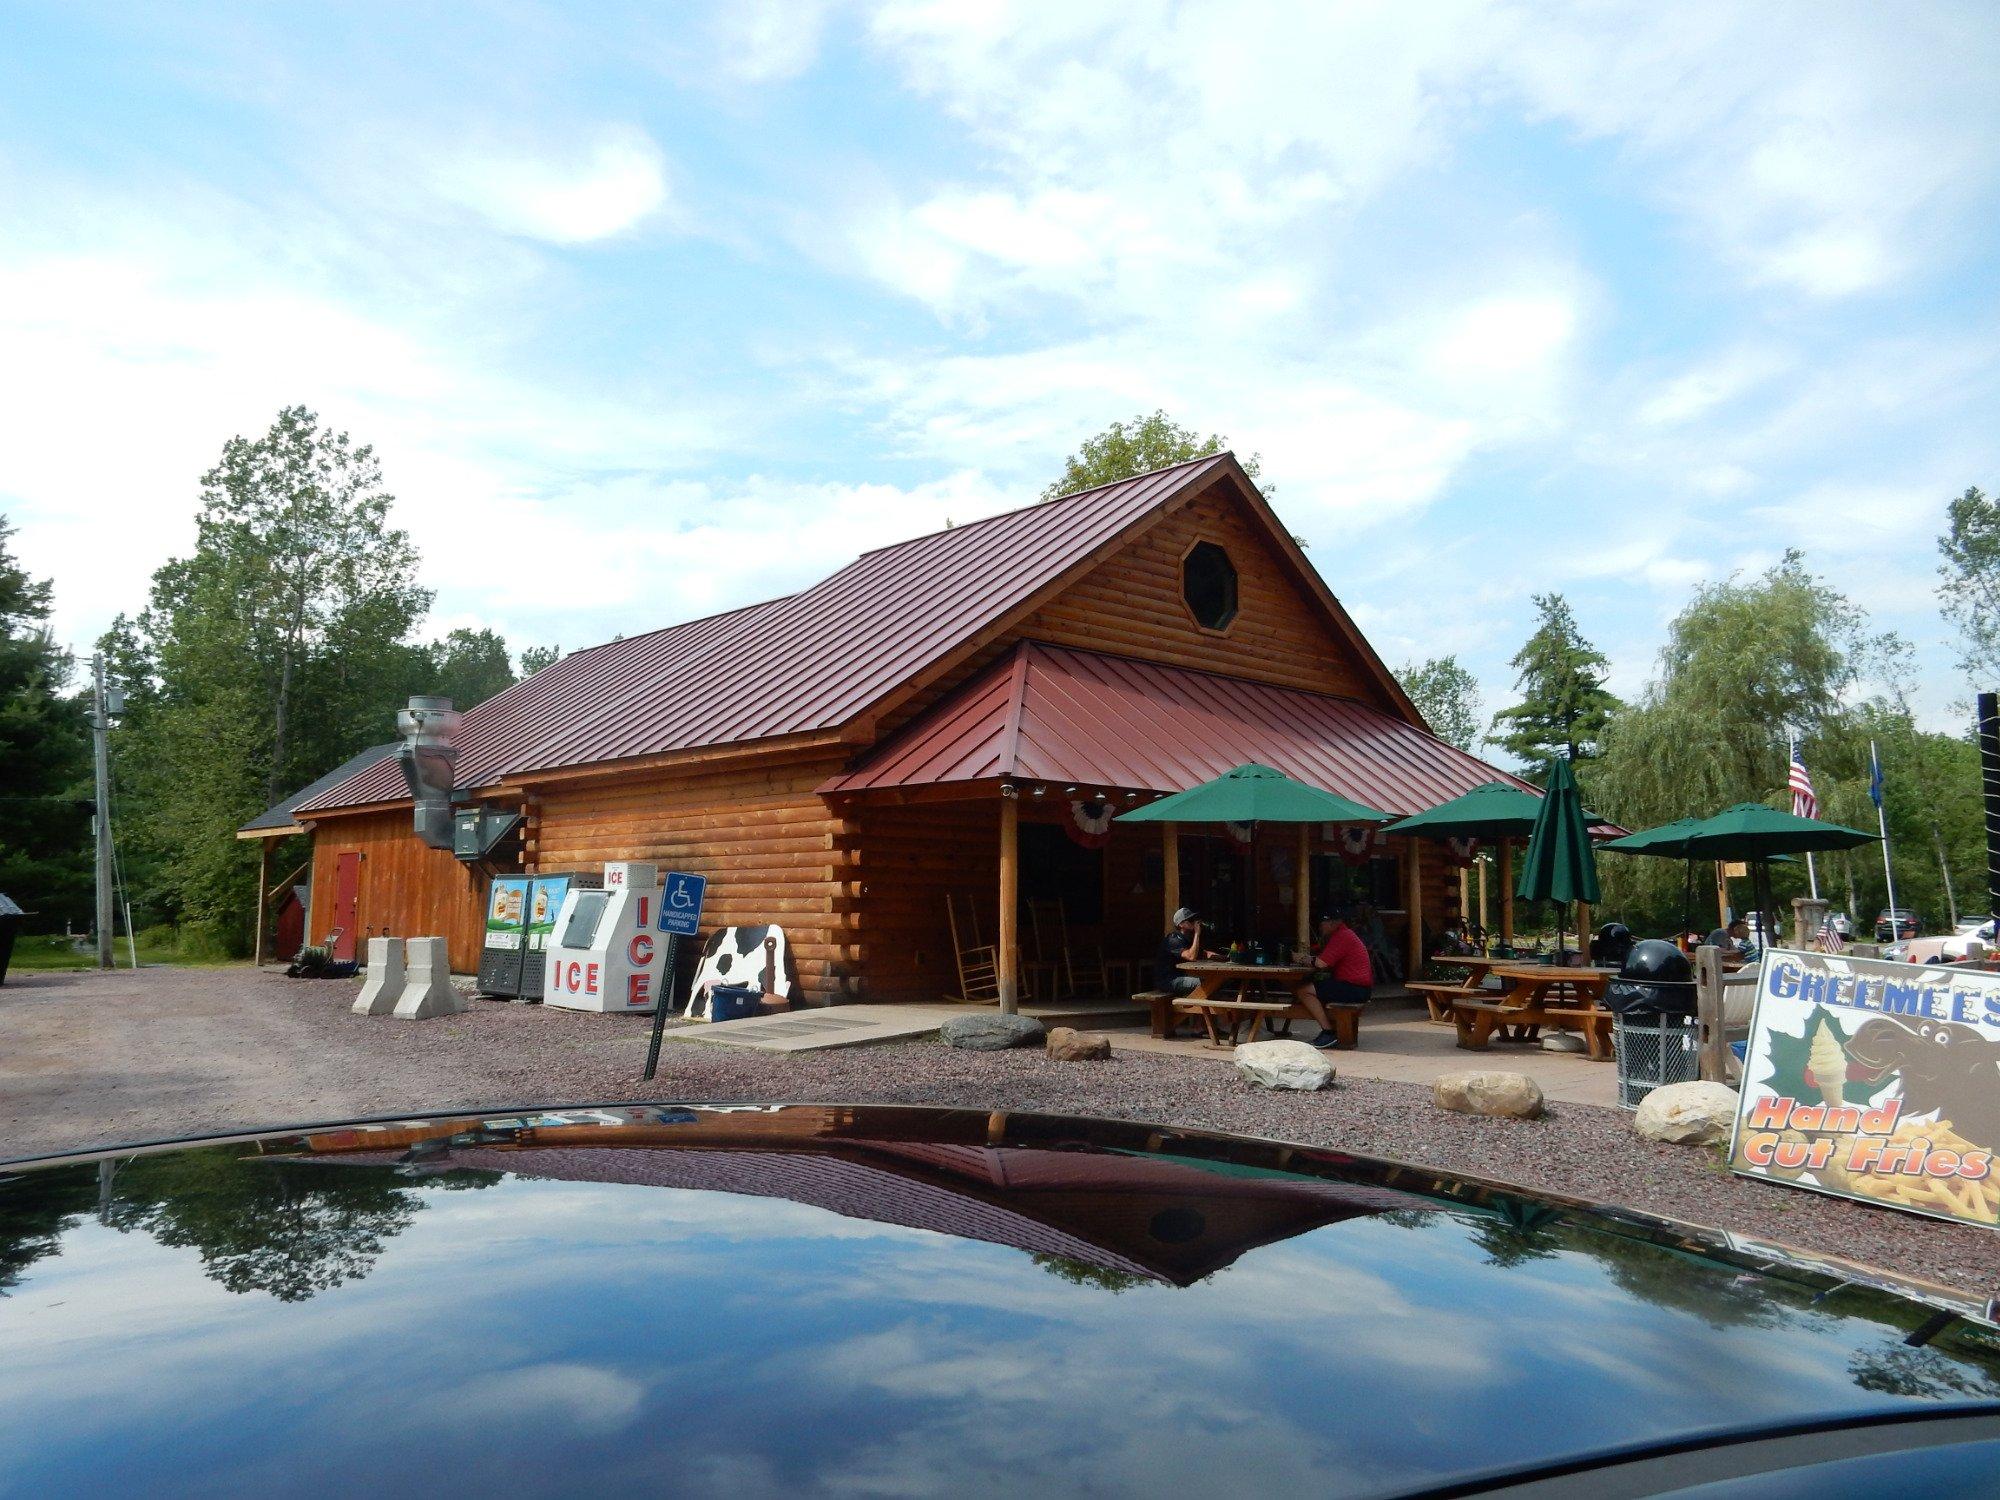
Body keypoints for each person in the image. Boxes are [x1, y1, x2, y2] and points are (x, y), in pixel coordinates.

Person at [1292, 906, 1373, 1049]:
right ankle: (1331, 1030)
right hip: (1359, 987)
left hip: (1354, 988)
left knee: (1304, 990)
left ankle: (1328, 1032)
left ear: (1331, 923)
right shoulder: (1344, 934)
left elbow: (1322, 963)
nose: (1320, 927)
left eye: (1321, 924)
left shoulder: (1341, 936)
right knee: (1315, 985)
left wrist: (1304, 959)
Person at [1155, 907, 1210, 996]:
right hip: (1169, 980)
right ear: (1180, 924)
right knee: (1206, 982)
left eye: (1194, 919)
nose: (1194, 922)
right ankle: (1194, 1006)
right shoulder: (1173, 939)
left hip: (1182, 976)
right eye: (1190, 920)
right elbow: (1191, 956)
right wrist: (1197, 934)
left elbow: (1204, 953)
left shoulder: (1187, 938)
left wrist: (1224, 957)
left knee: (1213, 980)